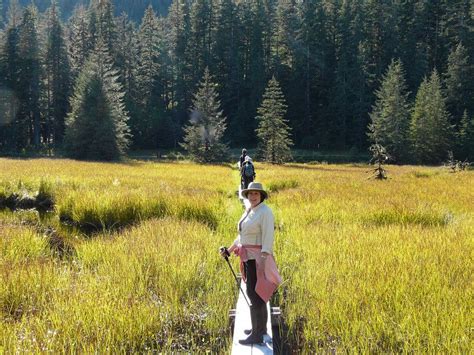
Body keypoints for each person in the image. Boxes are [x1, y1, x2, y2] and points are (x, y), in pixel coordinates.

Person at [221, 182, 281, 345]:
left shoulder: (265, 212)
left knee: (256, 294)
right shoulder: (249, 211)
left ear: (261, 196)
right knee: (255, 294)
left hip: (258, 259)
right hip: (248, 258)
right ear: (247, 196)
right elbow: (242, 236)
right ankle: (259, 329)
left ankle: (257, 334)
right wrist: (229, 249)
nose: (253, 196)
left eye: (256, 194)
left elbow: (268, 237)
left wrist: (263, 259)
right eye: (250, 194)